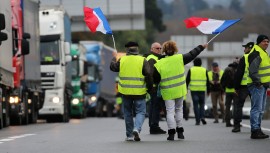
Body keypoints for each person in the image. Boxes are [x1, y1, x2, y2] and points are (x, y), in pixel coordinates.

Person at [153, 40, 207, 141]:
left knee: (169, 112)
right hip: (179, 90)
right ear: (175, 49)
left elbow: (155, 79)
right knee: (179, 110)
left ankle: (171, 133)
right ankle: (180, 132)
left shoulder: (159, 63)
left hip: (167, 91)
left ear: (164, 50)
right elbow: (192, 54)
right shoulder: (180, 58)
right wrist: (201, 47)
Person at [110, 41, 153, 141]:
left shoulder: (122, 60)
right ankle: (137, 129)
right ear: (137, 49)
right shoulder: (143, 60)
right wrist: (149, 88)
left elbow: (113, 67)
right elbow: (149, 75)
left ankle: (129, 135)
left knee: (128, 113)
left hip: (125, 92)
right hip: (140, 92)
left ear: (127, 50)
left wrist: (114, 58)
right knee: (141, 112)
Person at [247, 35, 270, 139]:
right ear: (259, 42)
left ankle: (258, 129)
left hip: (263, 85)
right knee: (256, 108)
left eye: (268, 41)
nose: (267, 43)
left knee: (260, 109)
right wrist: (258, 82)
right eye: (264, 41)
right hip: (257, 85)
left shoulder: (263, 53)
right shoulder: (256, 52)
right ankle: (255, 130)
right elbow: (253, 70)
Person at [232, 42, 254, 133]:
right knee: (256, 107)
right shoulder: (259, 57)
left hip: (244, 85)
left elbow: (239, 73)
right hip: (255, 85)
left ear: (249, 48)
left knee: (238, 106)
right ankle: (256, 127)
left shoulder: (244, 58)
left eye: (245, 48)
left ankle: (237, 126)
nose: (244, 49)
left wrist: (236, 87)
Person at [146, 42, 166, 134]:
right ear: (152, 49)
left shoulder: (157, 58)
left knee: (154, 106)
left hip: (156, 87)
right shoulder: (151, 58)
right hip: (154, 87)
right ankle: (154, 126)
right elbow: (150, 74)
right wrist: (151, 87)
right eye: (157, 48)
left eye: (160, 48)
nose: (159, 50)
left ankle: (153, 125)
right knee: (155, 106)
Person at [186, 58, 209, 125]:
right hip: (202, 90)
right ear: (201, 63)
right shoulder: (204, 70)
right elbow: (207, 81)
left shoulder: (191, 70)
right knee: (202, 104)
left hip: (194, 91)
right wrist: (209, 91)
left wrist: (186, 89)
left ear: (194, 63)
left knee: (195, 105)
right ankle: (202, 117)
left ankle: (197, 120)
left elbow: (187, 80)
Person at [221, 59, 239, 127]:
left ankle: (227, 122)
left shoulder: (227, 69)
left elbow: (222, 80)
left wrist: (223, 89)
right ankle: (236, 123)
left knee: (227, 107)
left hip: (228, 91)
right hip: (236, 91)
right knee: (236, 107)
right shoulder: (238, 69)